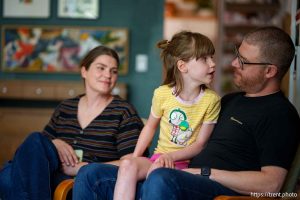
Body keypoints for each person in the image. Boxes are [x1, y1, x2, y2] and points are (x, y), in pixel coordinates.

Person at [72, 26, 300, 200]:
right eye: (236, 54)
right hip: (175, 174)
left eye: (243, 61)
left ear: (269, 70)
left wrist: (201, 173)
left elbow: (271, 185)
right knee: (90, 174)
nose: (233, 63)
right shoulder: (230, 100)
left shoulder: (281, 115)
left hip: (209, 187)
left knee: (161, 177)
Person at [73, 30, 221, 200]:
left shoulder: (211, 100)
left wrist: (169, 157)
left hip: (185, 164)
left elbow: (200, 145)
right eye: (205, 59)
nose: (213, 64)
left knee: (156, 173)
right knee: (128, 165)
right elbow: (149, 127)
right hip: (158, 157)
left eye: (212, 57)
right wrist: (135, 158)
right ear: (182, 66)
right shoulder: (162, 94)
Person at [0, 45, 145, 200]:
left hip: (87, 182)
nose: (107, 75)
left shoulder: (123, 111)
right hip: (52, 172)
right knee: (34, 140)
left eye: (113, 71)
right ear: (84, 71)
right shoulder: (66, 107)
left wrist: (80, 168)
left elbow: (131, 163)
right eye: (101, 68)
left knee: (9, 176)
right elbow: (39, 149)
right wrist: (55, 142)